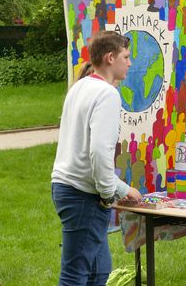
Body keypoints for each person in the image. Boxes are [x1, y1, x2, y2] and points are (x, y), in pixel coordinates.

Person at [51, 31, 142, 285]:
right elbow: (99, 152)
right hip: (82, 195)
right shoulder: (107, 94)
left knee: (99, 270)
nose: (130, 62)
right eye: (126, 56)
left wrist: (121, 188)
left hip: (68, 188)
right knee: (75, 274)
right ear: (110, 58)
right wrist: (108, 195)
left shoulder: (80, 86)